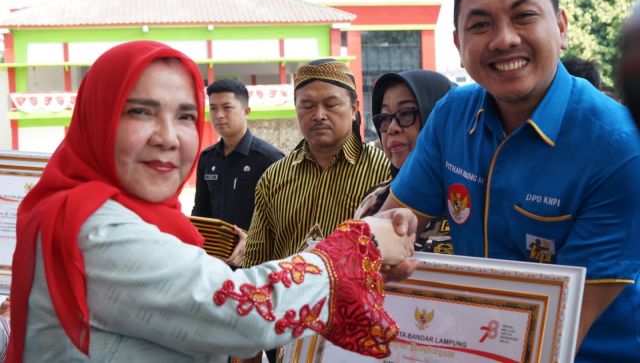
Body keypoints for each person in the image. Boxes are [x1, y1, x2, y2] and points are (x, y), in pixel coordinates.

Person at [6, 41, 418, 362]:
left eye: (185, 116)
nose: (168, 137)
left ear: (354, 108)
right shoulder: (93, 228)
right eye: (140, 112)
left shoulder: (140, 219)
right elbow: (241, 308)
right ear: (96, 118)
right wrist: (361, 244)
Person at [379, 0, 640, 361]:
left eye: (524, 16)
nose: (503, 40)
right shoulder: (452, 116)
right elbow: (388, 226)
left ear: (561, 26)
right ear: (458, 44)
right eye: (480, 24)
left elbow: (560, 335)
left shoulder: (619, 148)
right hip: (475, 340)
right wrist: (385, 236)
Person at [244, 59, 390, 267]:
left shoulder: (385, 172)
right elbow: (256, 261)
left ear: (354, 108)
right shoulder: (273, 178)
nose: (319, 115)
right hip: (287, 288)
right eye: (307, 106)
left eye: (331, 105)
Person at [355, 70, 455, 254]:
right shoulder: (375, 201)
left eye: (406, 113)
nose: (392, 128)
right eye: (384, 118)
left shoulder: (473, 199)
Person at [192, 79, 283, 267]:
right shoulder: (207, 158)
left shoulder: (270, 159)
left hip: (257, 261)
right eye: (213, 108)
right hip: (215, 260)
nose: (219, 115)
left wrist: (253, 240)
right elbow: (201, 209)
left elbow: (285, 218)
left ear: (246, 111)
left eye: (227, 107)